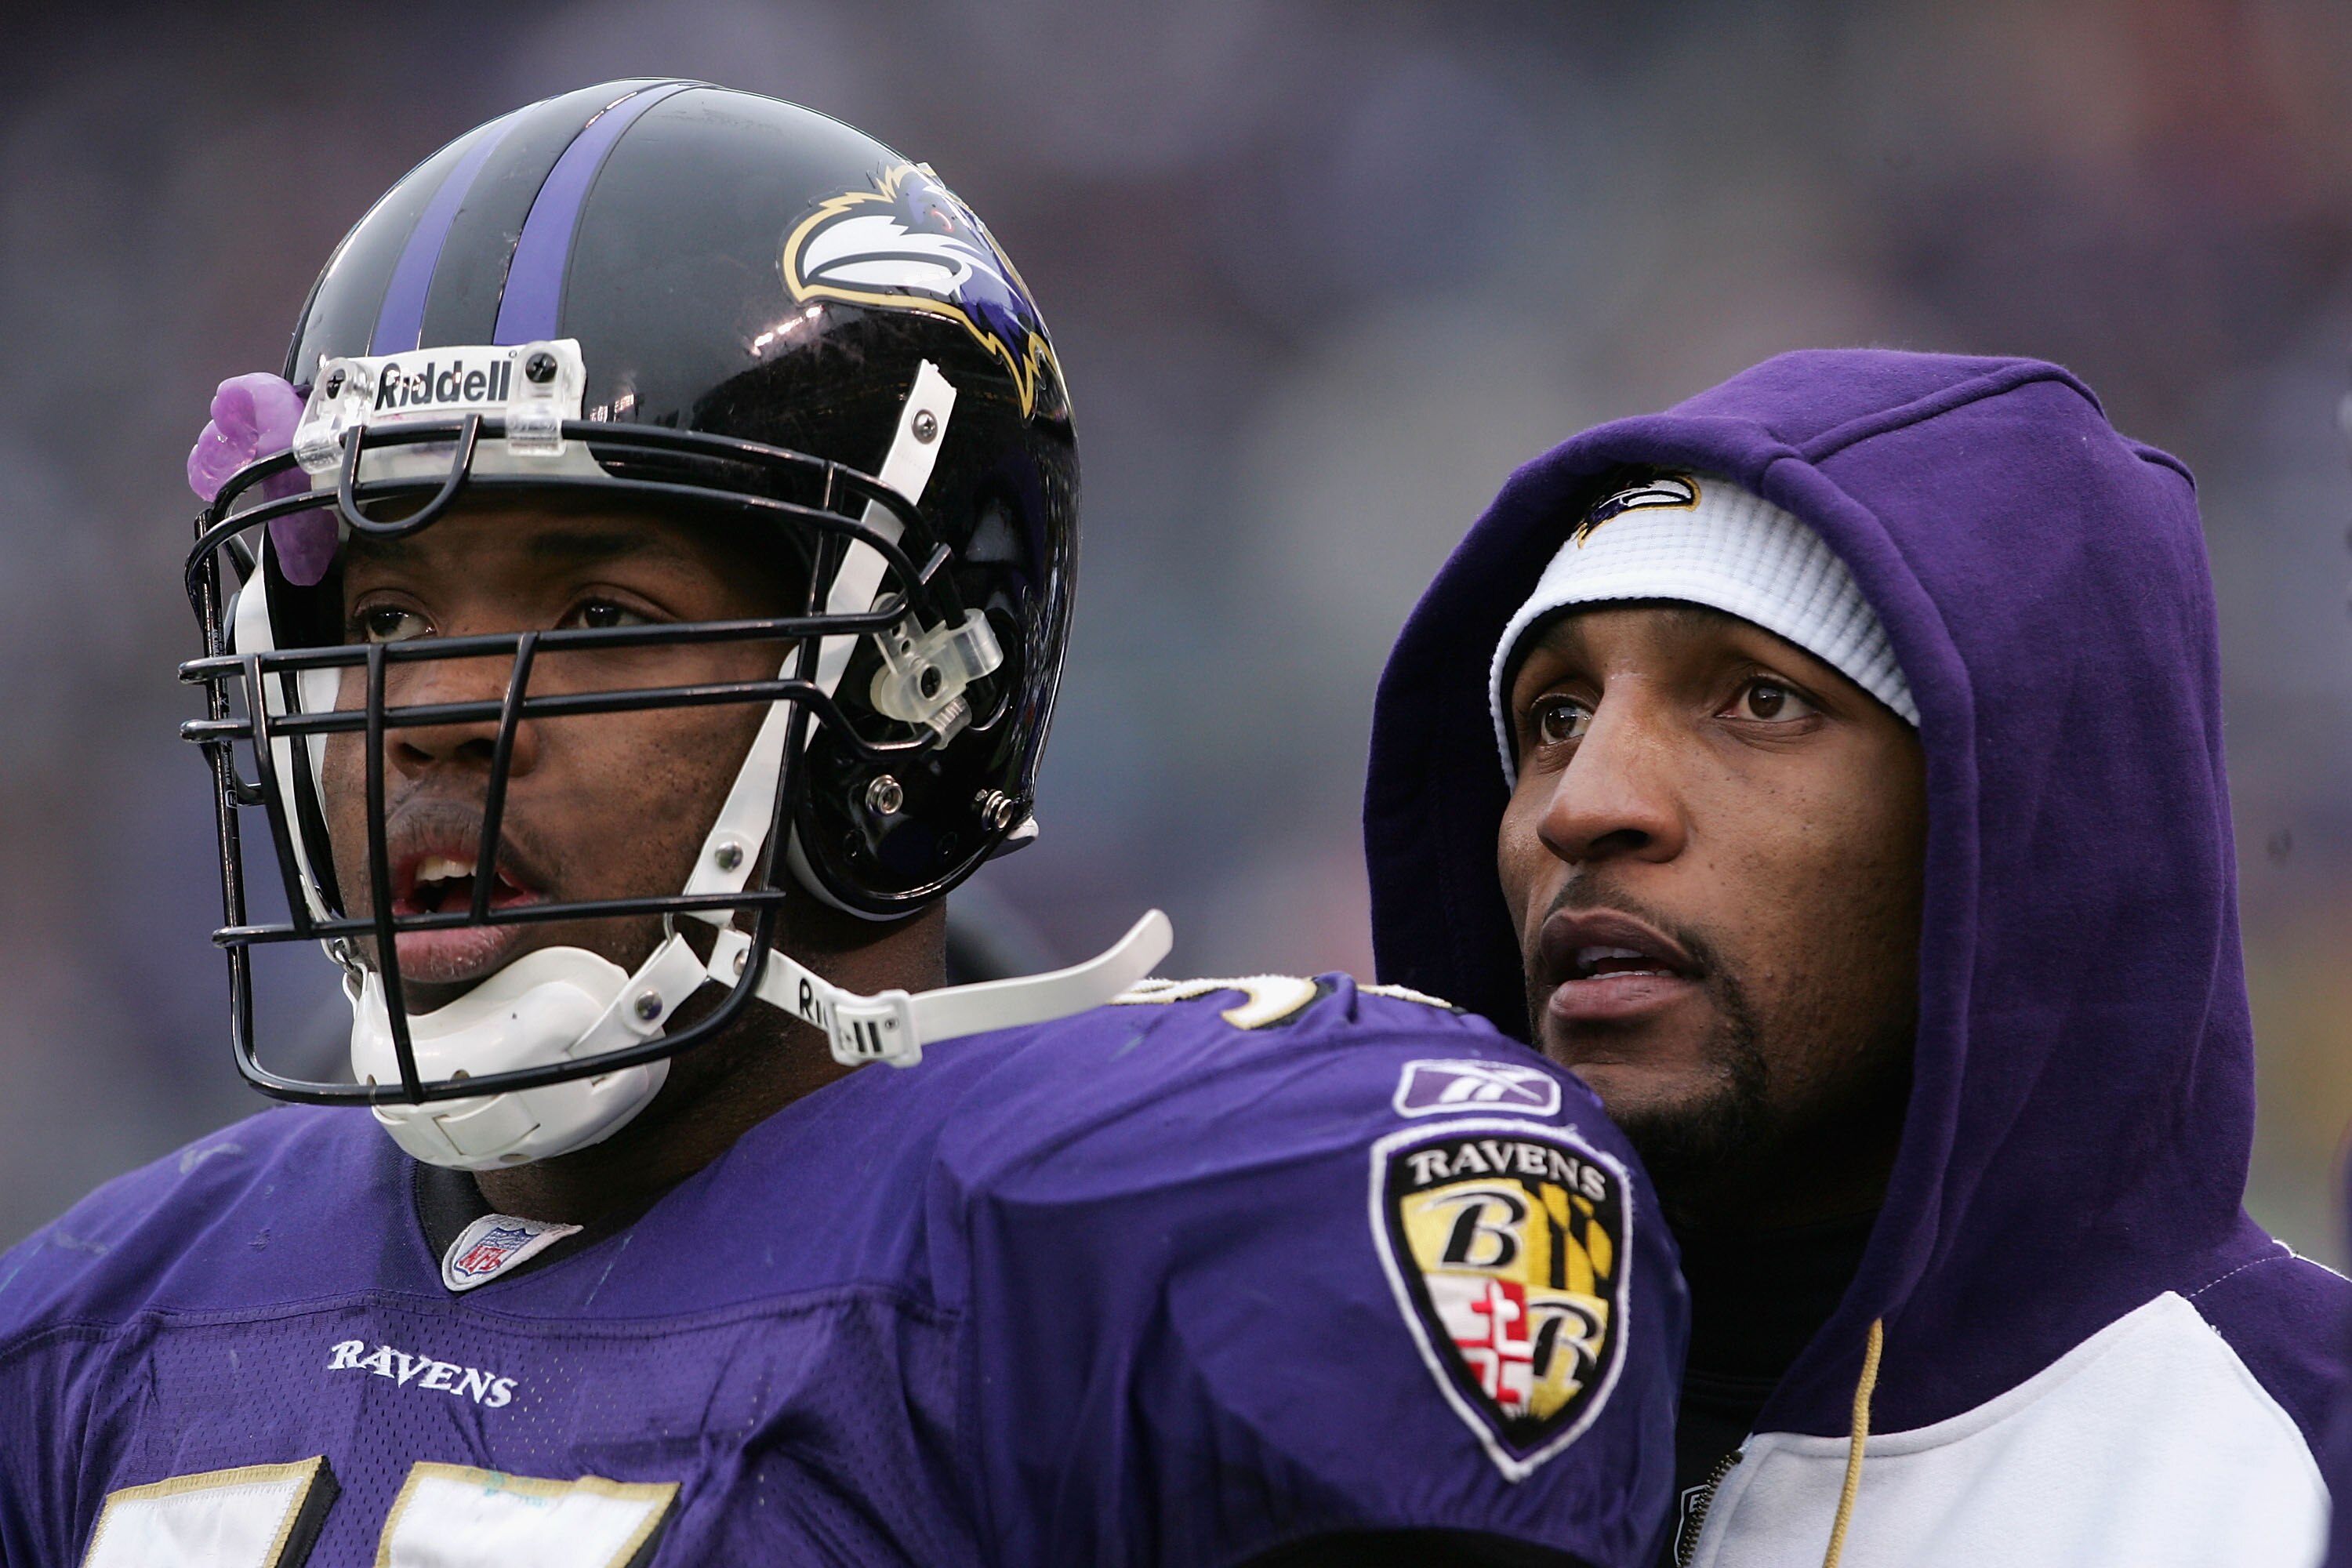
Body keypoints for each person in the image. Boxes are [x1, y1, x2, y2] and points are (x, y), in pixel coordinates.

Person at [0, 82, 1682, 1567]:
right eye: (378, 625)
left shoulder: (1177, 1231)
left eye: (591, 617)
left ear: (908, 688)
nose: (429, 714)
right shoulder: (97, 1313)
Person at [1363, 349, 2346, 1566]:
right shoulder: (1311, 1429)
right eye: (1556, 714)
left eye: (1760, 700)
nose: (1586, 802)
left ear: (2020, 825)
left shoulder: (2299, 1479)